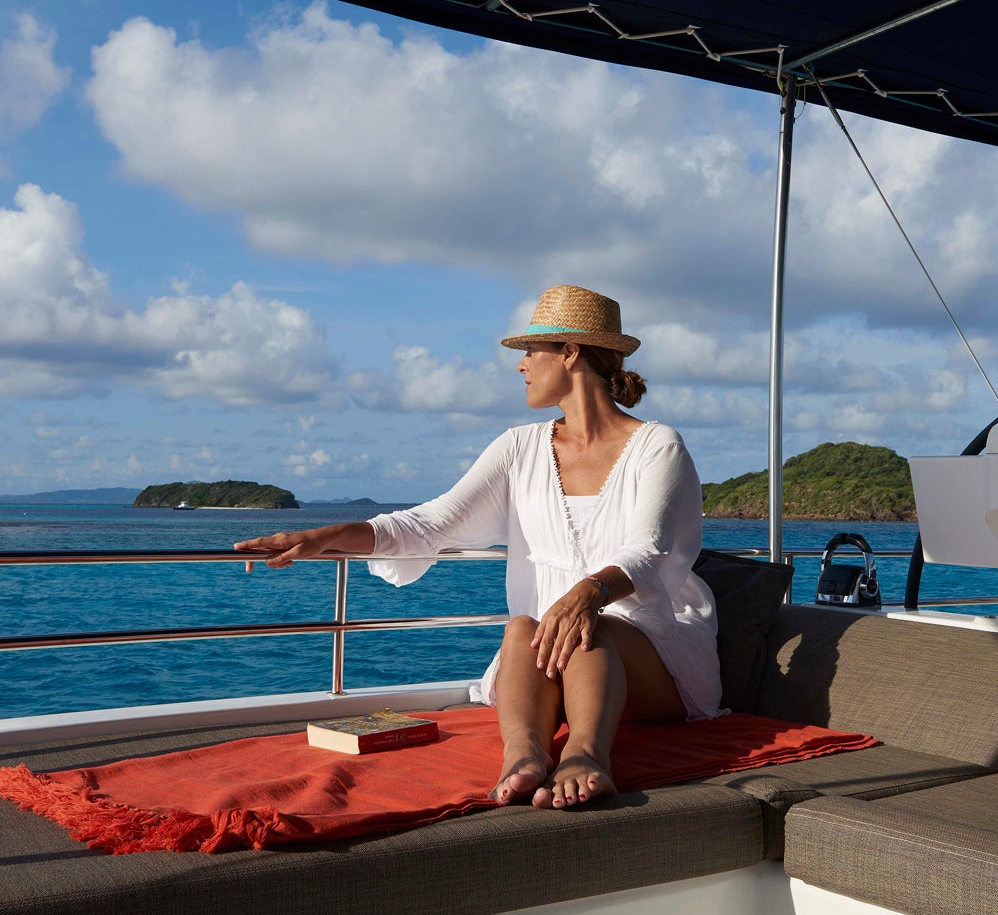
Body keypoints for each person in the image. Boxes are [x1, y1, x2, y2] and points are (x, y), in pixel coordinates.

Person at [234, 285, 721, 809]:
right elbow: (429, 524)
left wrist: (589, 591)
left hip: (652, 654)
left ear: (571, 353)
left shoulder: (657, 446)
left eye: (531, 352)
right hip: (547, 654)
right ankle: (525, 754)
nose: (521, 366)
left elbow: (649, 550)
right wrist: (324, 537)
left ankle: (585, 753)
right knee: (520, 627)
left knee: (586, 625)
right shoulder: (518, 448)